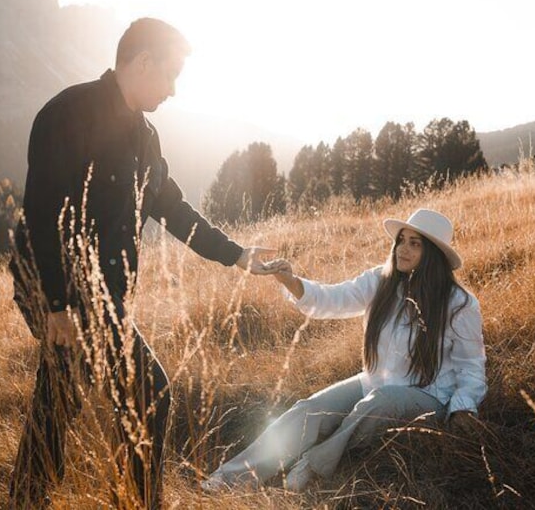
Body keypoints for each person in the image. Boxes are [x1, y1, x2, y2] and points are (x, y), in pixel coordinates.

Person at [8, 17, 275, 509]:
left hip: (105, 298)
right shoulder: (67, 114)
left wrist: (236, 256)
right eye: (171, 74)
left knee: (62, 403)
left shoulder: (147, 139)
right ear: (142, 62)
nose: (174, 90)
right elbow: (41, 215)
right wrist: (57, 305)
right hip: (56, 289)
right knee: (135, 391)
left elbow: (173, 209)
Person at [202, 208, 487, 493]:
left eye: (415, 244)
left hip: (429, 395)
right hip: (375, 383)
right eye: (402, 240)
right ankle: (226, 481)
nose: (403, 249)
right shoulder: (380, 281)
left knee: (380, 401)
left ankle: (313, 464)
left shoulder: (460, 304)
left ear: (434, 256)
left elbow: (471, 366)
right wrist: (291, 281)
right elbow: (333, 299)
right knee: (309, 410)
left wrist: (463, 407)